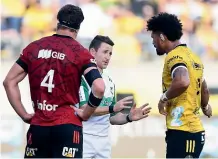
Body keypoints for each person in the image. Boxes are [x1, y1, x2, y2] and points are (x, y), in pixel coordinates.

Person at [3, 4, 105, 158]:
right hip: (67, 126)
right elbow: (99, 87)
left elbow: (9, 81)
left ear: (58, 23)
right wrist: (86, 113)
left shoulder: (34, 48)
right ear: (78, 28)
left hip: (38, 126)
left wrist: (24, 114)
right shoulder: (80, 53)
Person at [146, 13, 212, 158]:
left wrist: (163, 98)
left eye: (154, 37)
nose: (153, 42)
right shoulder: (193, 56)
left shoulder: (174, 56)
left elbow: (182, 81)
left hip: (184, 131)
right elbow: (204, 88)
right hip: (193, 131)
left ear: (162, 37)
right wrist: (205, 106)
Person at [74, 35, 151, 158]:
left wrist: (129, 117)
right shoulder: (83, 78)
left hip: (104, 142)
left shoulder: (109, 81)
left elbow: (111, 118)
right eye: (105, 52)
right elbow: (83, 110)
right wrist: (112, 108)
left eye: (110, 53)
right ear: (92, 52)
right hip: (84, 138)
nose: (108, 57)